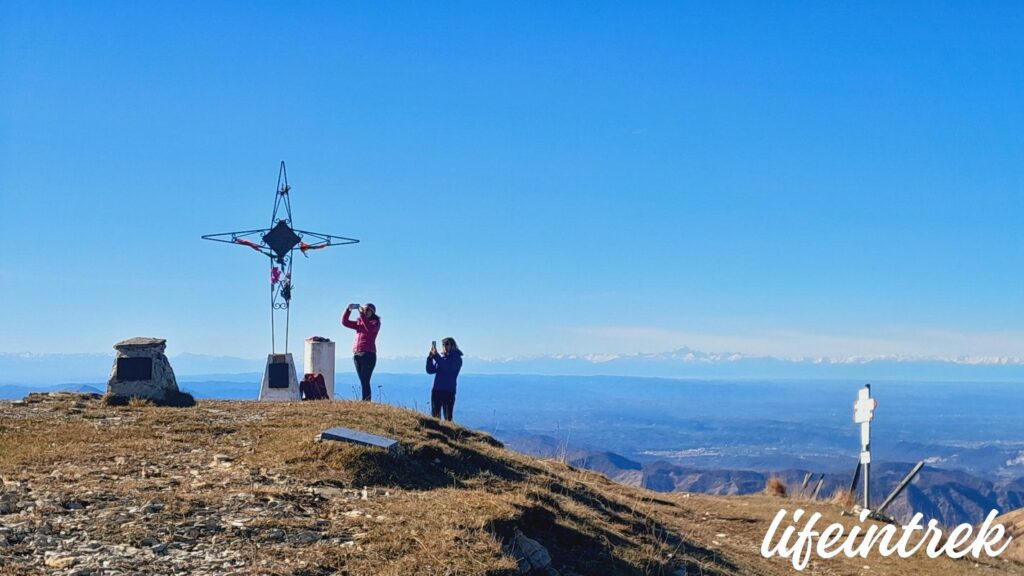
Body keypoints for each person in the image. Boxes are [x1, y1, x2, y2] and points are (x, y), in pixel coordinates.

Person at [341, 303, 381, 401]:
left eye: (368, 310)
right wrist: (348, 310)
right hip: (357, 354)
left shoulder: (375, 323)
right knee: (363, 380)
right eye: (364, 309)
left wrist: (361, 314)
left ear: (372, 312)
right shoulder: (360, 323)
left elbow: (369, 328)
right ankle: (365, 400)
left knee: (365, 380)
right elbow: (345, 322)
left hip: (368, 354)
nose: (365, 312)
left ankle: (366, 401)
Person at [426, 337, 463, 421]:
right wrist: (430, 359)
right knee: (435, 417)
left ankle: (450, 433)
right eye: (443, 344)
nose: (445, 346)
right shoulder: (442, 358)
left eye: (447, 344)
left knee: (448, 418)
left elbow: (447, 367)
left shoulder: (457, 359)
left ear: (452, 345)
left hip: (448, 392)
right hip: (437, 391)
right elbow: (430, 370)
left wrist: (436, 357)